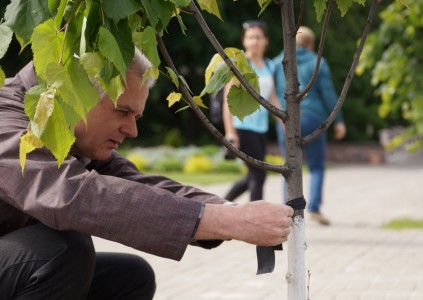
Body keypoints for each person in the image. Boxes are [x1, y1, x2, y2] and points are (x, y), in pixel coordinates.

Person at [0, 49, 294, 299]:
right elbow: (73, 195)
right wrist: (222, 222)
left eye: (136, 117)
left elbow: (134, 182)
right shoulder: (6, 122)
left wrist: (231, 211)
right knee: (61, 252)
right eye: (123, 112)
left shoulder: (69, 135)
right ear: (78, 95)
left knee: (130, 276)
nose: (132, 130)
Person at [273, 26, 346, 225]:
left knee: (287, 167)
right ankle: (313, 207)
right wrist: (338, 121)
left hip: (285, 120)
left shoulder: (277, 62)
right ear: (311, 44)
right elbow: (328, 93)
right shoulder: (317, 62)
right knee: (316, 166)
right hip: (312, 117)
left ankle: (286, 212)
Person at [223, 20, 283, 203]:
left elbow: (271, 97)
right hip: (242, 125)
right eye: (250, 38)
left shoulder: (269, 66)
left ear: (266, 40)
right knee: (259, 175)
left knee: (253, 176)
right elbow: (228, 100)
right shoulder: (239, 66)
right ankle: (256, 223)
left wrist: (284, 121)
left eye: (258, 37)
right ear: (244, 41)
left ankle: (222, 204)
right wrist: (230, 132)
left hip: (260, 128)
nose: (254, 41)